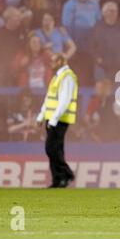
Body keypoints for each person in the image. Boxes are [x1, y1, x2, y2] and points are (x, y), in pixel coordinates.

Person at [36, 53, 78, 188]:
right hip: (53, 118)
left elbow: (64, 101)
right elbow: (49, 99)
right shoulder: (58, 76)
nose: (51, 63)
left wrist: (53, 119)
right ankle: (58, 179)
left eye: (54, 61)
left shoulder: (67, 77)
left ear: (61, 61)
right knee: (53, 148)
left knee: (52, 147)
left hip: (60, 119)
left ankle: (65, 174)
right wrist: (41, 116)